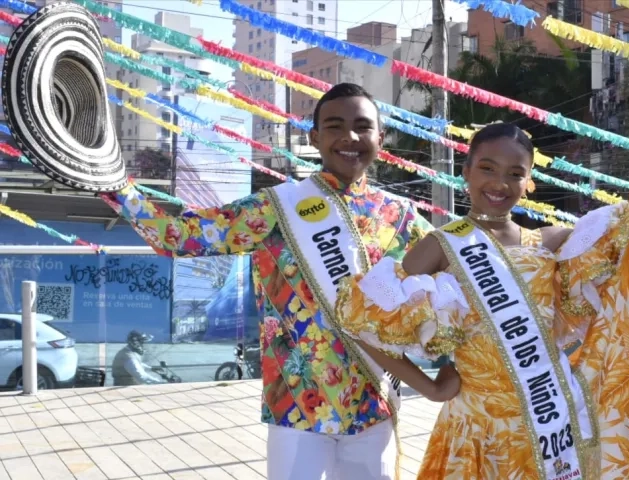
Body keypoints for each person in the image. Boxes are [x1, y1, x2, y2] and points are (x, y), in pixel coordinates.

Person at [334, 90, 629, 479]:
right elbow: (357, 320)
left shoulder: (551, 242)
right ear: (465, 171)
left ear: (529, 182)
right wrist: (429, 388)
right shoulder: (442, 244)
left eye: (514, 173)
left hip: (552, 424)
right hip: (478, 431)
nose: (499, 183)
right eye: (487, 168)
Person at [99, 83, 461, 479]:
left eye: (362, 126)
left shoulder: (403, 217)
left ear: (381, 137)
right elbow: (177, 236)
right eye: (335, 125)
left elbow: (463, 273)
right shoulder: (274, 208)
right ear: (314, 136)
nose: (349, 137)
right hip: (295, 405)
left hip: (373, 404)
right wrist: (115, 186)